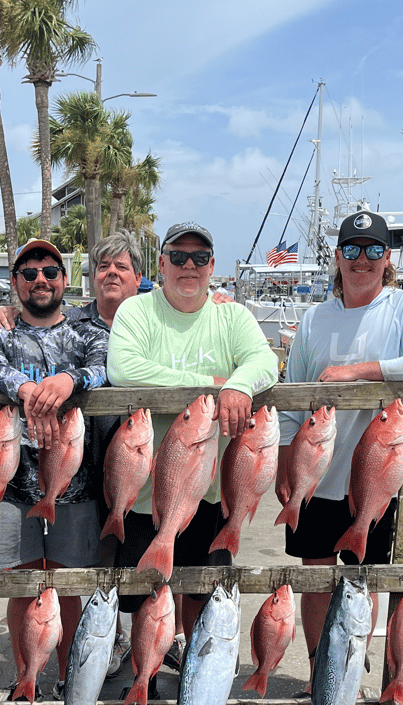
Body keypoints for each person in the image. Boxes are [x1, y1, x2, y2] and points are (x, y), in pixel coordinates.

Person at [276, 210, 403, 688]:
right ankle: (318, 672)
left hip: (377, 477)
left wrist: (359, 371)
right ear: (337, 256)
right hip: (316, 475)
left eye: (373, 250)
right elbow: (292, 397)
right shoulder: (313, 319)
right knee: (315, 578)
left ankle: (350, 669)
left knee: (364, 579)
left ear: (387, 258)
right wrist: (283, 467)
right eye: (351, 250)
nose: (362, 260)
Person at [106, 221, 279, 653]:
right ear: (161, 263)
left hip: (211, 490)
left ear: (212, 265)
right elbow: (123, 370)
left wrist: (239, 386)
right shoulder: (136, 312)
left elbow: (265, 361)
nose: (189, 265)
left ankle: (196, 666)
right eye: (178, 256)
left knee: (202, 591)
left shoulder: (232, 315)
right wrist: (209, 383)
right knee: (145, 594)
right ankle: (144, 681)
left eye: (199, 258)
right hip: (147, 491)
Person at [0, 238, 108, 699]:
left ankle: (68, 672)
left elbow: (104, 364)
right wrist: (26, 388)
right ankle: (25, 670)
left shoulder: (89, 331)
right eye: (29, 273)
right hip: (10, 481)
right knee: (20, 579)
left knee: (69, 581)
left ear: (65, 279)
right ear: (15, 283)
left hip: (74, 478)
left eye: (50, 271)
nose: (41, 280)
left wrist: (70, 378)